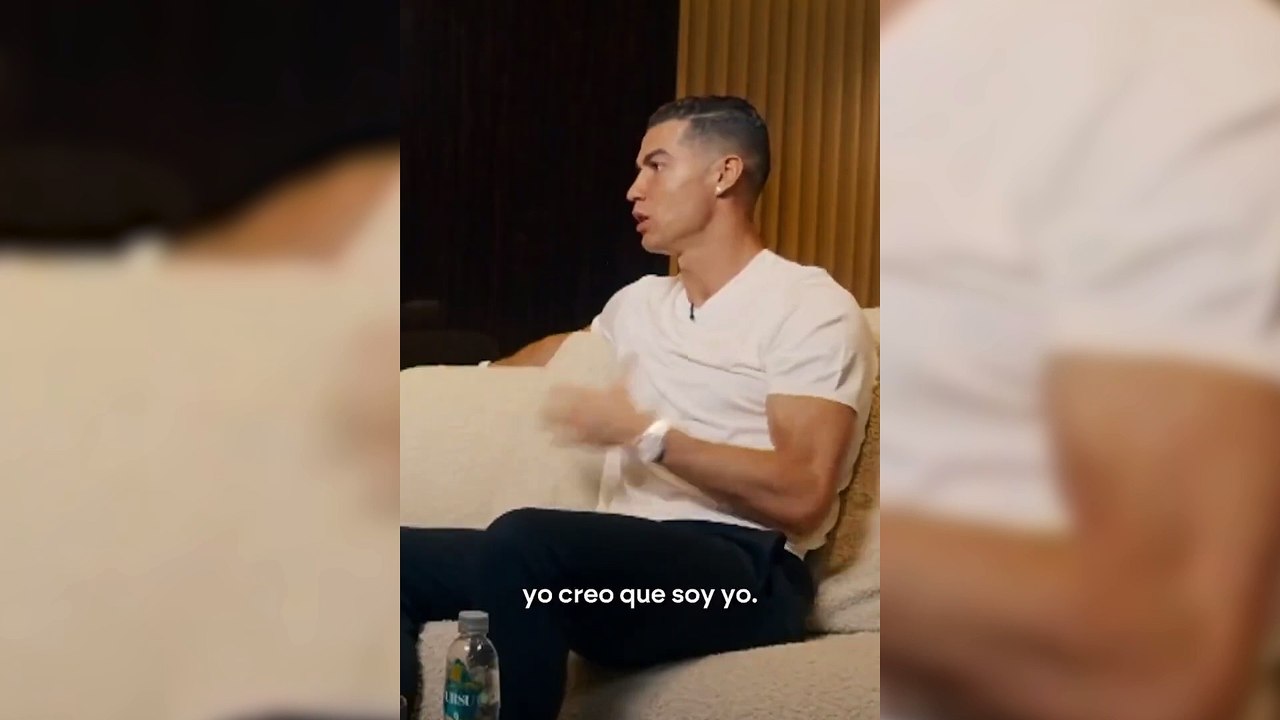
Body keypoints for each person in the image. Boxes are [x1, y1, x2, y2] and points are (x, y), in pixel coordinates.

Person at [400, 96, 878, 719]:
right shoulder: (640, 303)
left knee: (524, 542)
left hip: (741, 579)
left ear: (724, 173)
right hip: (614, 576)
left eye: (656, 165)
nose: (633, 189)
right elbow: (557, 350)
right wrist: (475, 375)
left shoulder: (808, 307)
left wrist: (649, 434)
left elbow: (802, 491)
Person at [879, 0, 1280, 718]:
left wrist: (659, 443)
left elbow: (1163, 658)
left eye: (664, 162)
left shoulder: (1168, 55)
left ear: (724, 174)